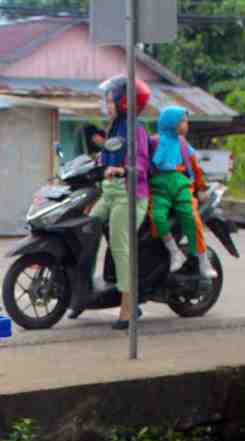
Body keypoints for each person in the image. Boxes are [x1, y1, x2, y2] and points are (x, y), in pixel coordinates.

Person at [79, 76, 152, 329]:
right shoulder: (115, 127)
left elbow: (141, 162)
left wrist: (125, 169)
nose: (107, 105)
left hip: (130, 195)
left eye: (111, 100)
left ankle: (128, 308)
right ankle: (82, 288)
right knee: (86, 226)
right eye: (107, 100)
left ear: (125, 102)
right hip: (110, 193)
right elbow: (105, 156)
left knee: (121, 248)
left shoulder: (136, 129)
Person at [149, 106, 217, 285]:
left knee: (190, 216)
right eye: (183, 121)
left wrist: (201, 188)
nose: (187, 124)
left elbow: (195, 167)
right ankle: (174, 251)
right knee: (156, 217)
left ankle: (203, 260)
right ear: (172, 123)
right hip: (159, 189)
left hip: (181, 187)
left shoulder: (183, 144)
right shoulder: (155, 142)